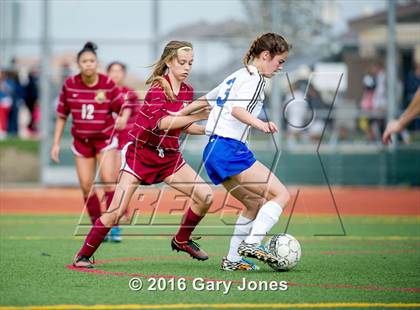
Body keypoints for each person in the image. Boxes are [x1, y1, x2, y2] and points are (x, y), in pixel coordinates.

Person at [72, 40, 213, 268]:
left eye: (191, 63)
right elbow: (162, 123)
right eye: (182, 62)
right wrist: (198, 116)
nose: (187, 67)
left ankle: (182, 240)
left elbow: (182, 126)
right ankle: (83, 255)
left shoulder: (187, 91)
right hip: (141, 156)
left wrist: (209, 129)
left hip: (168, 158)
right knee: (116, 212)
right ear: (169, 62)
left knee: (205, 196)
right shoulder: (158, 88)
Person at [176, 33, 291, 271]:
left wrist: (176, 115)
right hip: (229, 148)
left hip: (213, 150)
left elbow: (203, 102)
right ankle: (253, 243)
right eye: (280, 61)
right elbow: (238, 110)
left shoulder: (237, 75)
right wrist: (261, 124)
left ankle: (233, 259)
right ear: (266, 55)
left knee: (254, 202)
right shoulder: (256, 79)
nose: (280, 67)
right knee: (281, 195)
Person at [51, 42, 127, 231]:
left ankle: (113, 225)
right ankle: (97, 226)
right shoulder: (70, 85)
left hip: (105, 141)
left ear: (97, 63)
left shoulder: (107, 84)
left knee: (109, 181)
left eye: (91, 61)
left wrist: (123, 118)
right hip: (81, 142)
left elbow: (122, 108)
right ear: (78, 64)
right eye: (84, 61)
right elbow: (62, 116)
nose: (88, 64)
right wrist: (55, 144)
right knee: (86, 186)